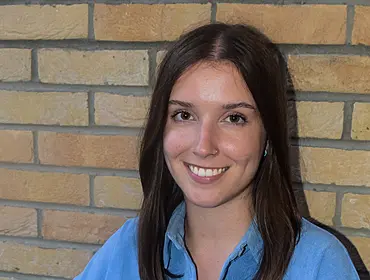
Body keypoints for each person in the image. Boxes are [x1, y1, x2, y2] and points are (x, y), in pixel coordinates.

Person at [74, 23, 359, 280]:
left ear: (268, 136)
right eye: (184, 115)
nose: (203, 146)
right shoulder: (130, 246)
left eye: (234, 118)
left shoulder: (320, 263)